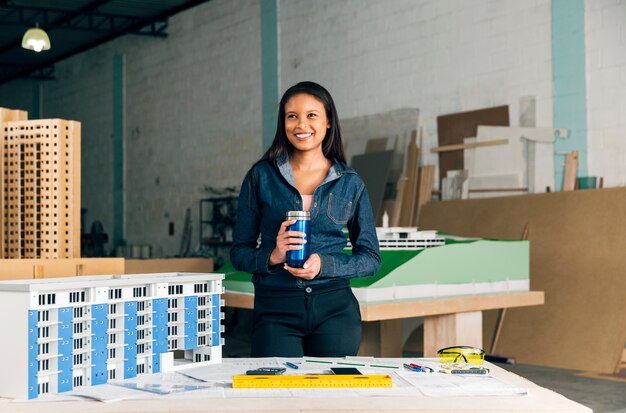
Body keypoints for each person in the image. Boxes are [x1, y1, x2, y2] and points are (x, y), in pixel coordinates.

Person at [230, 81, 380, 357]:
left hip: (334, 308)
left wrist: (325, 264)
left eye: (312, 115)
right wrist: (273, 256)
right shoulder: (261, 177)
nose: (302, 124)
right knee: (274, 393)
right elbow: (239, 253)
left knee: (328, 395)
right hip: (276, 308)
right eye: (292, 116)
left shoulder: (350, 183)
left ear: (328, 123)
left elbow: (370, 257)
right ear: (283, 123)